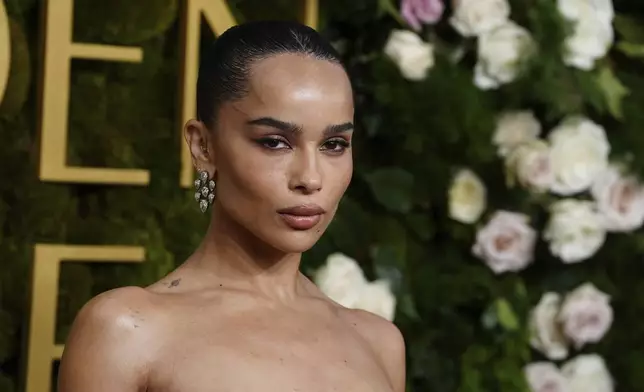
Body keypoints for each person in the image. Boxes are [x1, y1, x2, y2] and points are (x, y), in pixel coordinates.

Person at [57, 20, 406, 392]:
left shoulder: (379, 343)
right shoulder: (127, 332)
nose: (310, 178)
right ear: (203, 146)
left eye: (334, 144)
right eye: (275, 142)